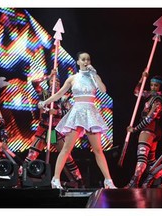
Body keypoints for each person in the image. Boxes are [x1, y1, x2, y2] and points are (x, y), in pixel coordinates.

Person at [38, 51, 116, 189]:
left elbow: (103, 90)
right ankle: (55, 179)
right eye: (83, 59)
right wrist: (45, 102)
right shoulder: (72, 78)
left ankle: (108, 181)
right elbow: (59, 94)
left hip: (90, 112)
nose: (86, 62)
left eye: (88, 59)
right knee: (67, 148)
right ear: (78, 62)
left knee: (98, 150)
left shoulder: (94, 76)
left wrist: (95, 76)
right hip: (77, 112)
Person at [24, 69, 84, 188]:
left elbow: (69, 112)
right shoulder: (44, 94)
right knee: (32, 155)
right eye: (52, 81)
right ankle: (21, 177)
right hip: (43, 129)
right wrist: (48, 76)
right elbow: (34, 83)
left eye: (57, 81)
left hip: (54, 131)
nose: (55, 82)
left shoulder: (63, 97)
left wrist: (56, 111)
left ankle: (78, 179)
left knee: (66, 155)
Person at [124, 71, 162, 188]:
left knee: (142, 157)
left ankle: (134, 182)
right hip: (151, 130)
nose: (152, 87)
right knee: (152, 161)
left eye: (155, 86)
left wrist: (135, 129)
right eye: (151, 85)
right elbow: (137, 92)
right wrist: (142, 79)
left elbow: (149, 119)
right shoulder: (149, 95)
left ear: (160, 87)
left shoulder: (158, 100)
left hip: (150, 129)